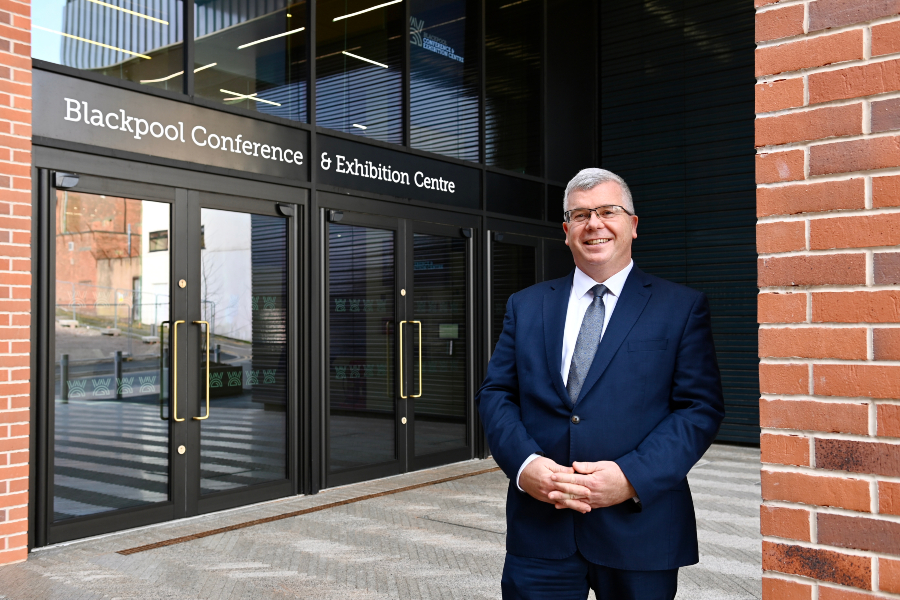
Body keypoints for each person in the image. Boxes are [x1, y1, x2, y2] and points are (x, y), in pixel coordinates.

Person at [476, 168, 725, 600]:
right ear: (567, 230)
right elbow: (497, 394)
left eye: (608, 211)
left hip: (640, 528)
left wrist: (631, 476)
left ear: (632, 224)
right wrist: (523, 467)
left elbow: (699, 409)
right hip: (541, 531)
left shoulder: (681, 307)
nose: (595, 224)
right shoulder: (526, 305)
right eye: (581, 214)